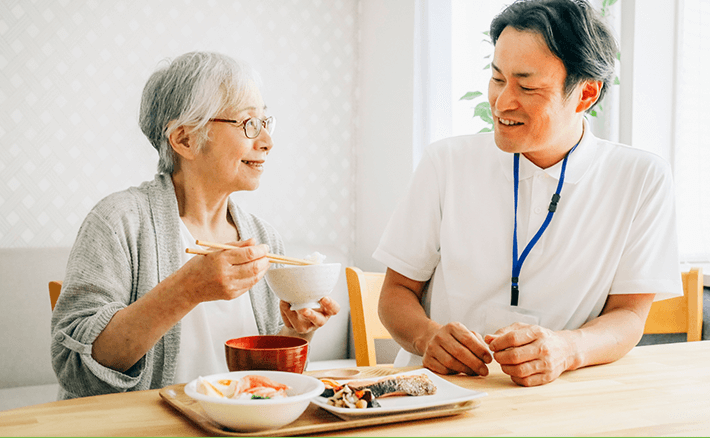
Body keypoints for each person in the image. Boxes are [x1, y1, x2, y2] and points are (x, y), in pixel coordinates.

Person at [373, 0, 682, 387]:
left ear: (586, 94)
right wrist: (426, 336)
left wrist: (568, 348)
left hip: (558, 396)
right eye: (497, 78)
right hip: (440, 391)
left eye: (528, 86)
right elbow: (396, 292)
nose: (501, 103)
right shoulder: (446, 161)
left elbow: (630, 316)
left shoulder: (641, 178)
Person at [50, 51, 340, 399]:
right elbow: (75, 368)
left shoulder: (263, 238)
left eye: (266, 122)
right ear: (185, 139)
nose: (267, 141)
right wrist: (186, 289)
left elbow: (267, 389)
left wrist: (296, 334)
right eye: (249, 124)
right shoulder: (119, 221)